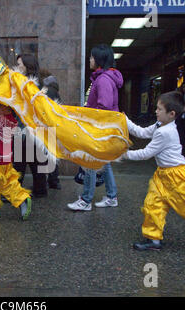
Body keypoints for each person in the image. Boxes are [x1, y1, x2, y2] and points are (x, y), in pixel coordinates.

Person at [123, 91, 185, 251]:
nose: (156, 111)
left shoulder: (165, 132)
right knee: (153, 204)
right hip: (163, 174)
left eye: (159, 109)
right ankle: (153, 239)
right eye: (157, 108)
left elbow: (145, 154)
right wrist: (125, 120)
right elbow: (141, 132)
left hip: (176, 176)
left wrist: (122, 154)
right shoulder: (159, 125)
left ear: (171, 114)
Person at [67, 44, 122, 212]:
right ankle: (111, 196)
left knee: (90, 162)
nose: (89, 59)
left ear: (99, 60)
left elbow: (103, 107)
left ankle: (85, 200)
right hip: (105, 128)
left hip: (99, 128)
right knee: (104, 163)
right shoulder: (104, 77)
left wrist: (88, 120)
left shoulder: (103, 80)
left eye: (91, 57)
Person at [13, 54, 49, 198]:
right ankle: (40, 190)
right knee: (35, 161)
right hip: (35, 129)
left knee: (19, 162)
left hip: (26, 127)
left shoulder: (27, 84)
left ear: (27, 66)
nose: (18, 66)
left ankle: (14, 191)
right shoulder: (37, 83)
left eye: (20, 64)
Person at [42, 73, 62, 190]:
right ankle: (54, 181)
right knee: (52, 156)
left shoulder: (46, 91)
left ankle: (47, 182)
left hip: (46, 127)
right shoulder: (56, 93)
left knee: (44, 156)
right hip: (54, 127)